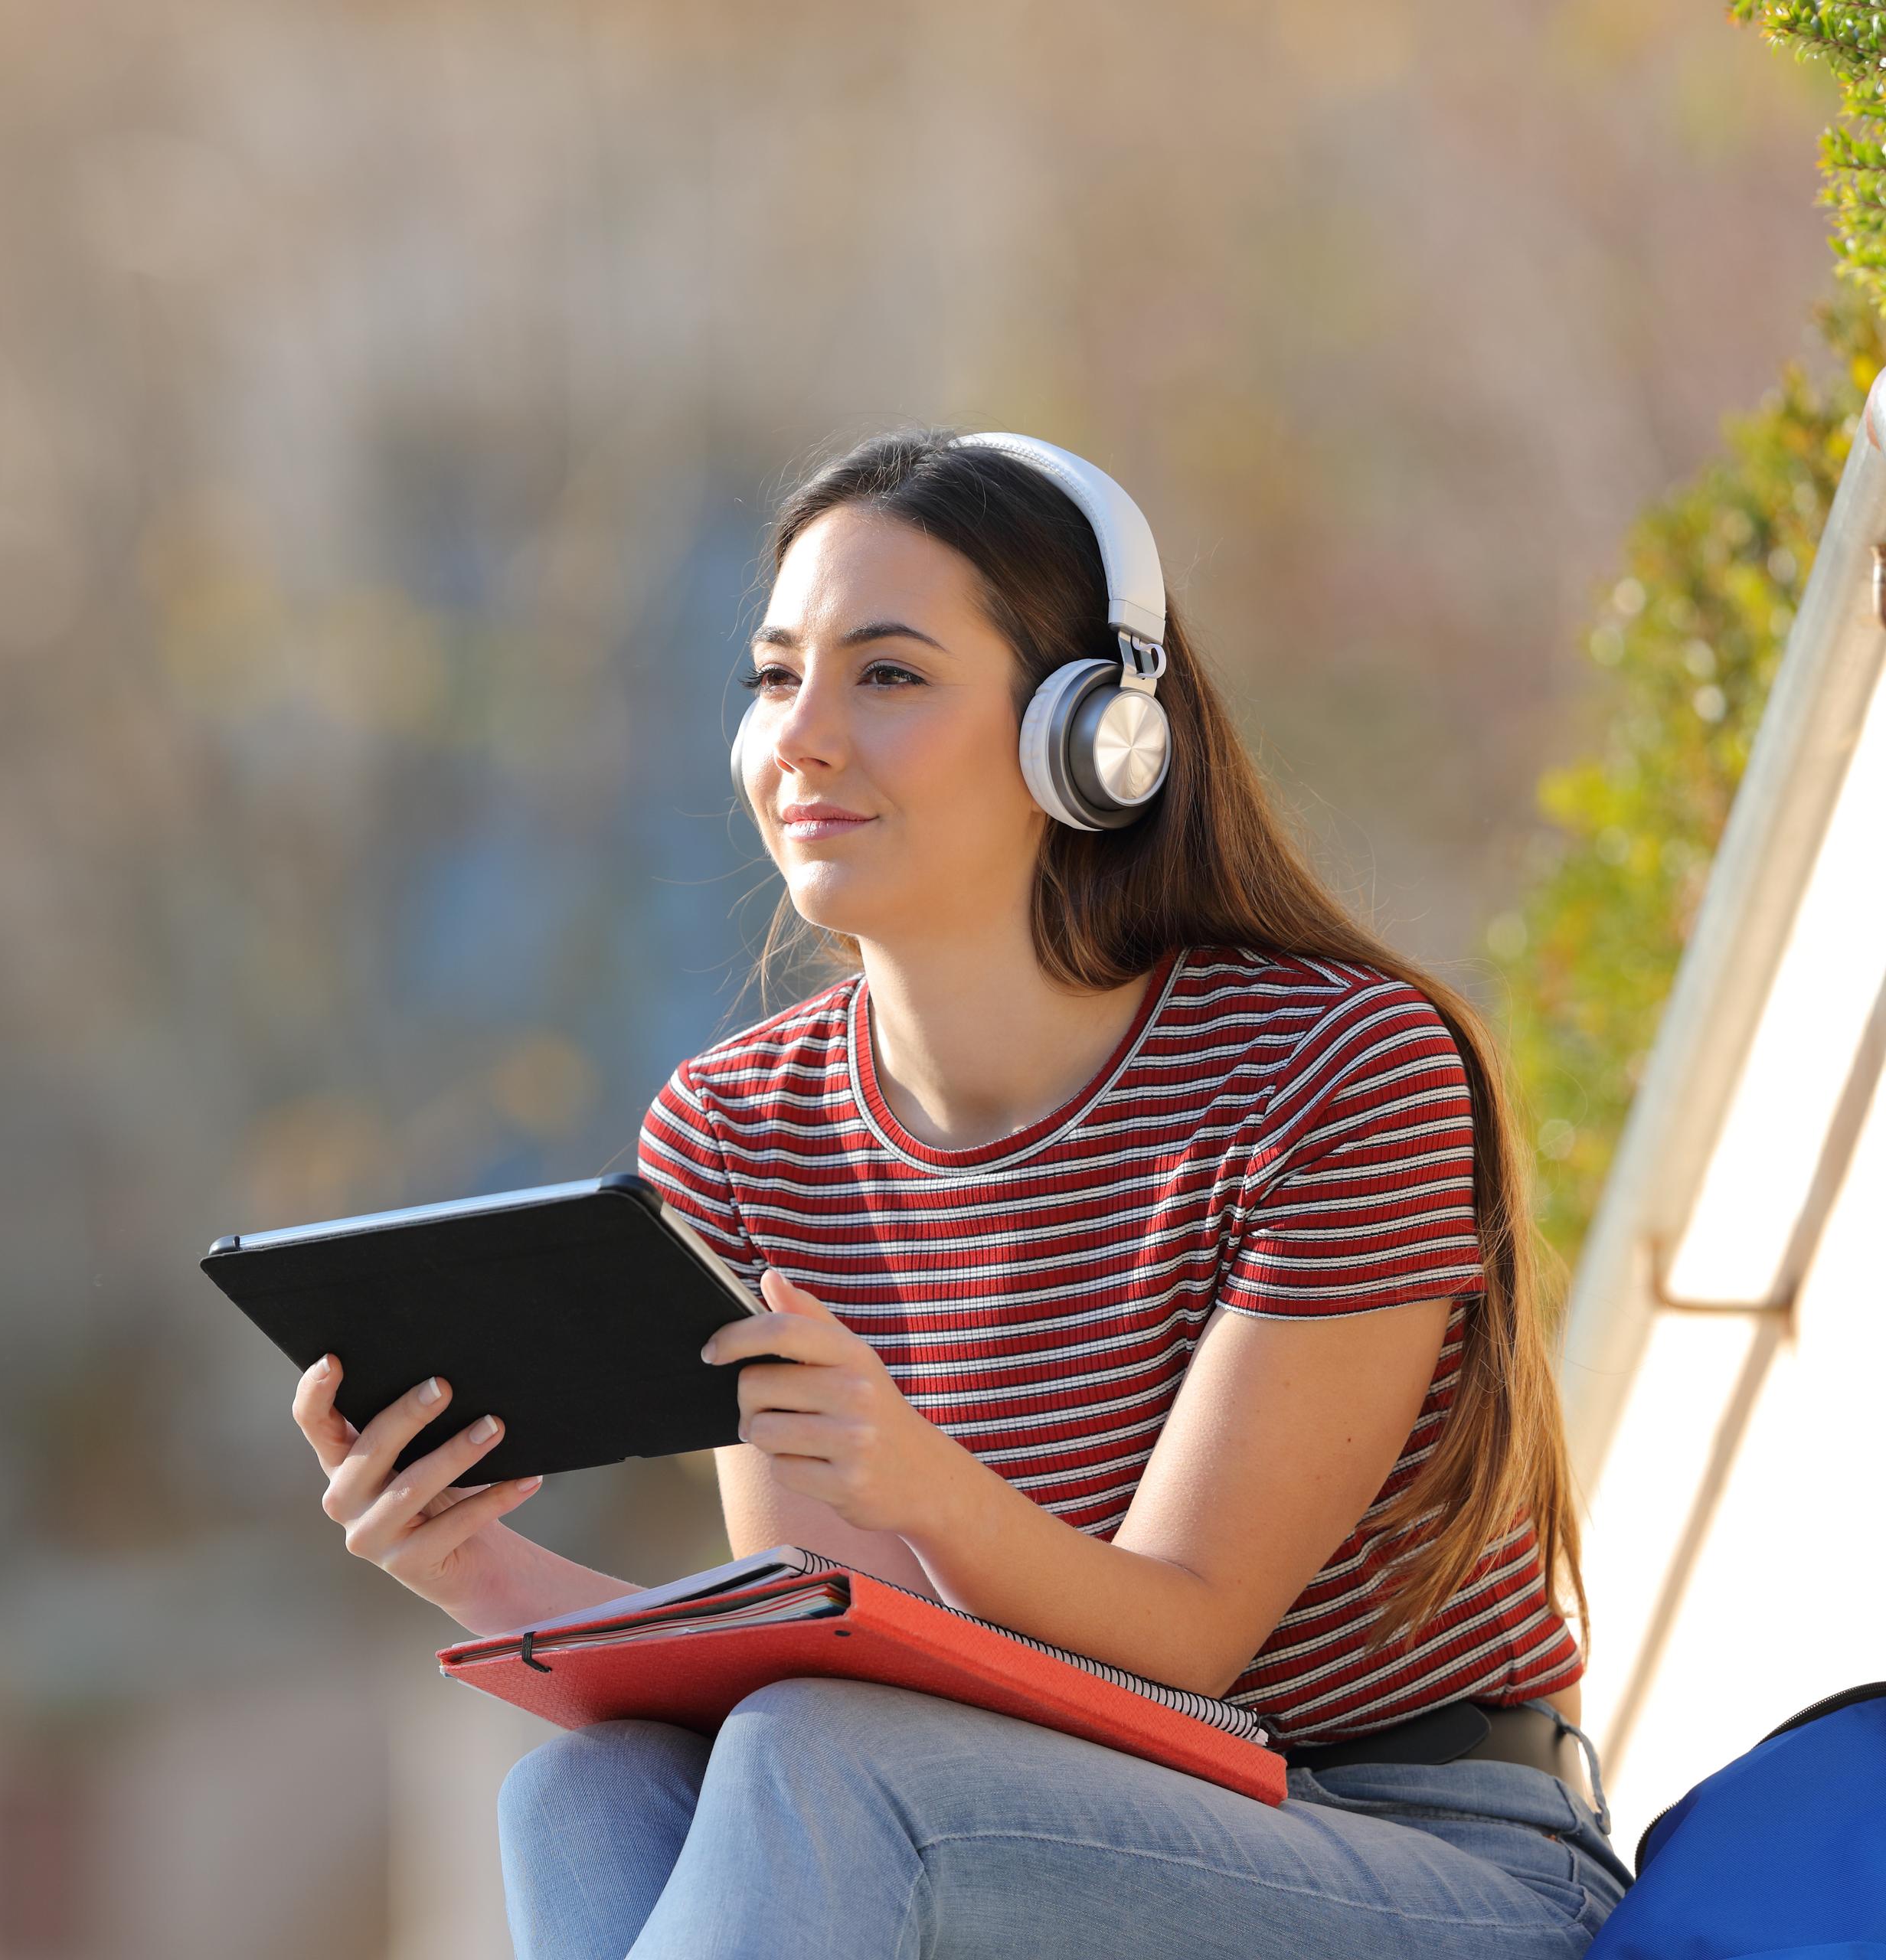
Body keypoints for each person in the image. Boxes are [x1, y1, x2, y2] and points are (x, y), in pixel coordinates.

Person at [285, 429, 1633, 1958]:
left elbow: (1192, 1638)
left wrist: (912, 1472)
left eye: (889, 674)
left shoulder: (1333, 1068)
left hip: (1422, 1854)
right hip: (1013, 1818)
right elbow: (841, 1651)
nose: (801, 736)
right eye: (776, 674)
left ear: (1092, 732)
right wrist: (474, 1560)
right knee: (582, 1792)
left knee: (821, 1768)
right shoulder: (738, 1134)